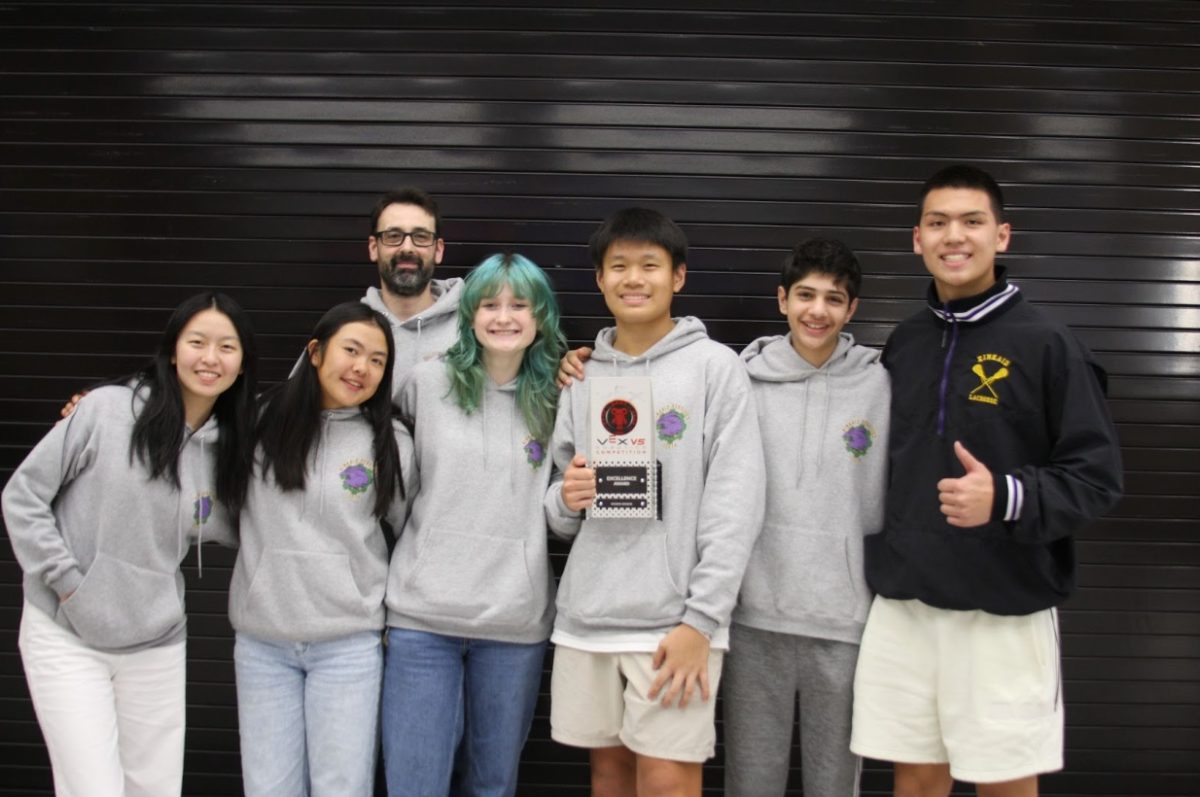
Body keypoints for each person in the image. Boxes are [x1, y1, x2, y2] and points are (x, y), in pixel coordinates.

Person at [849, 164, 1123, 797]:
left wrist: (1005, 496)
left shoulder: (1049, 344)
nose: (954, 236)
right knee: (916, 781)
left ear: (1001, 236)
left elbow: (1097, 476)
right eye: (938, 222)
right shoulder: (905, 342)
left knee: (1003, 783)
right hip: (906, 606)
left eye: (972, 222)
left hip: (1002, 611)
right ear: (917, 239)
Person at [545, 208, 765, 796]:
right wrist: (566, 498)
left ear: (678, 277)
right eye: (619, 266)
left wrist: (702, 620)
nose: (634, 279)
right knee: (609, 776)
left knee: (668, 780)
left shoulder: (716, 368)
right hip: (589, 617)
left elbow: (736, 502)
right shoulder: (581, 377)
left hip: (675, 625)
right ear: (599, 279)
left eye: (650, 265)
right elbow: (559, 509)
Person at [3, 292, 258, 797]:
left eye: (227, 347)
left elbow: (245, 525)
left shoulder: (230, 448)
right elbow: (23, 495)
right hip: (66, 632)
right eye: (197, 342)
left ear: (242, 363)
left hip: (156, 642)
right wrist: (68, 583)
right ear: (173, 350)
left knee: (155, 789)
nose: (210, 358)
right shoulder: (106, 411)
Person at [381, 252, 567, 797]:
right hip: (422, 621)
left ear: (541, 317)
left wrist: (572, 502)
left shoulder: (560, 396)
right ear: (470, 314)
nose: (503, 317)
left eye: (519, 305)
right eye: (489, 305)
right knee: (415, 785)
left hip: (513, 626)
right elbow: (393, 490)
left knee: (493, 785)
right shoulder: (426, 382)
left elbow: (560, 516)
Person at [723, 238, 890, 797]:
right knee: (751, 782)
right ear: (782, 299)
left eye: (833, 299)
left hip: (844, 622)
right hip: (753, 617)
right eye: (805, 295)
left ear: (852, 309)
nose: (818, 310)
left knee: (834, 784)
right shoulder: (740, 380)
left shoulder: (881, 384)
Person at [228, 301, 411, 797]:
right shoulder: (257, 420)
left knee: (342, 787)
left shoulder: (390, 440)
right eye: (351, 350)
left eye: (377, 360)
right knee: (268, 788)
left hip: (348, 645)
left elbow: (410, 527)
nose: (362, 367)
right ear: (314, 352)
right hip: (263, 643)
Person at [361, 187, 464, 393]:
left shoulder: (473, 329)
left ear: (438, 250)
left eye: (421, 236)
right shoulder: (346, 330)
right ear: (373, 248)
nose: (407, 248)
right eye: (393, 236)